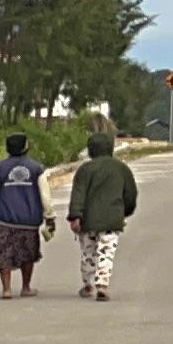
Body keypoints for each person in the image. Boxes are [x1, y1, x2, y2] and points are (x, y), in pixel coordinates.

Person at [69, 128, 138, 300]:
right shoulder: (122, 169)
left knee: (88, 253)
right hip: (111, 220)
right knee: (106, 252)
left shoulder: (84, 170)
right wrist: (125, 211)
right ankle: (102, 284)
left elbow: (78, 194)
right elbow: (130, 194)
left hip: (88, 221)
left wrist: (75, 215)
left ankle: (88, 284)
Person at [0, 131, 49, 297]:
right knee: (28, 253)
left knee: (4, 254)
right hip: (28, 219)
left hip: (2, 219)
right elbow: (45, 196)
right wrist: (49, 217)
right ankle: (25, 287)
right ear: (26, 147)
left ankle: (6, 289)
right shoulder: (37, 168)